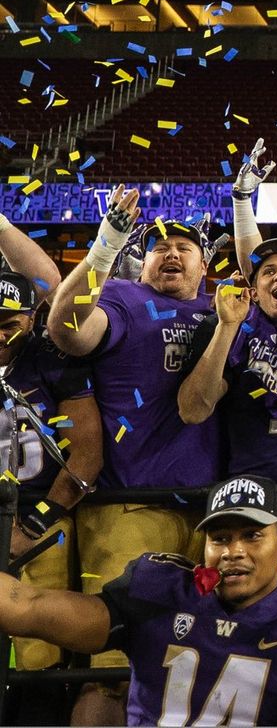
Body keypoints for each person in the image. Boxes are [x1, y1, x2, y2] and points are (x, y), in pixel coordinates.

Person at [45, 187, 226, 719]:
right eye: (157, 246)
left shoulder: (225, 309)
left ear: (205, 262)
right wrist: (104, 247)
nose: (170, 253)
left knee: (201, 667)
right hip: (130, 507)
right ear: (139, 257)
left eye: (183, 247)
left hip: (209, 513)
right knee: (113, 673)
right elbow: (68, 330)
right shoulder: (122, 297)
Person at [0, 474, 277, 726]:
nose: (233, 551)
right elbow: (26, 606)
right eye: (221, 538)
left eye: (252, 536)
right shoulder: (160, 589)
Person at [178, 236, 277, 563]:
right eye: (268, 272)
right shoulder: (227, 330)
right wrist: (228, 327)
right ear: (254, 292)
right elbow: (193, 410)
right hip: (249, 500)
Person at [0, 266, 104, 680]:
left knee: (39, 657)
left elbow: (86, 459)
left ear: (31, 318)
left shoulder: (51, 360)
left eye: (9, 324)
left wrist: (32, 526)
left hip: (40, 518)